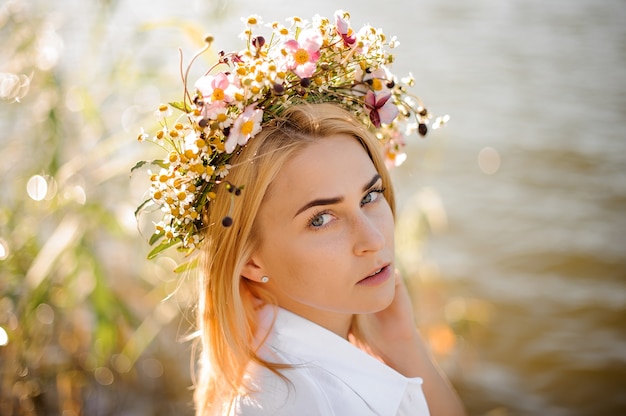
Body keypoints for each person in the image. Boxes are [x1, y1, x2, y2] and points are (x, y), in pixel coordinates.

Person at [136, 10, 464, 416]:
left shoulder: (294, 354)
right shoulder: (293, 403)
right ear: (251, 261)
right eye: (321, 219)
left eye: (370, 196)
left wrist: (404, 343)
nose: (374, 240)